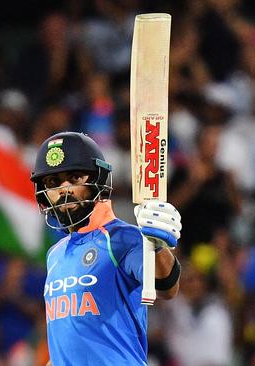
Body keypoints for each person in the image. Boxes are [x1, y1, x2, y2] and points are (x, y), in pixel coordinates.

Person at [29, 132, 182, 365]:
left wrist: (158, 246)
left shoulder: (121, 238)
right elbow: (69, 343)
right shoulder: (55, 254)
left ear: (97, 180)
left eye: (75, 177)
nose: (64, 189)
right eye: (53, 182)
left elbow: (166, 287)